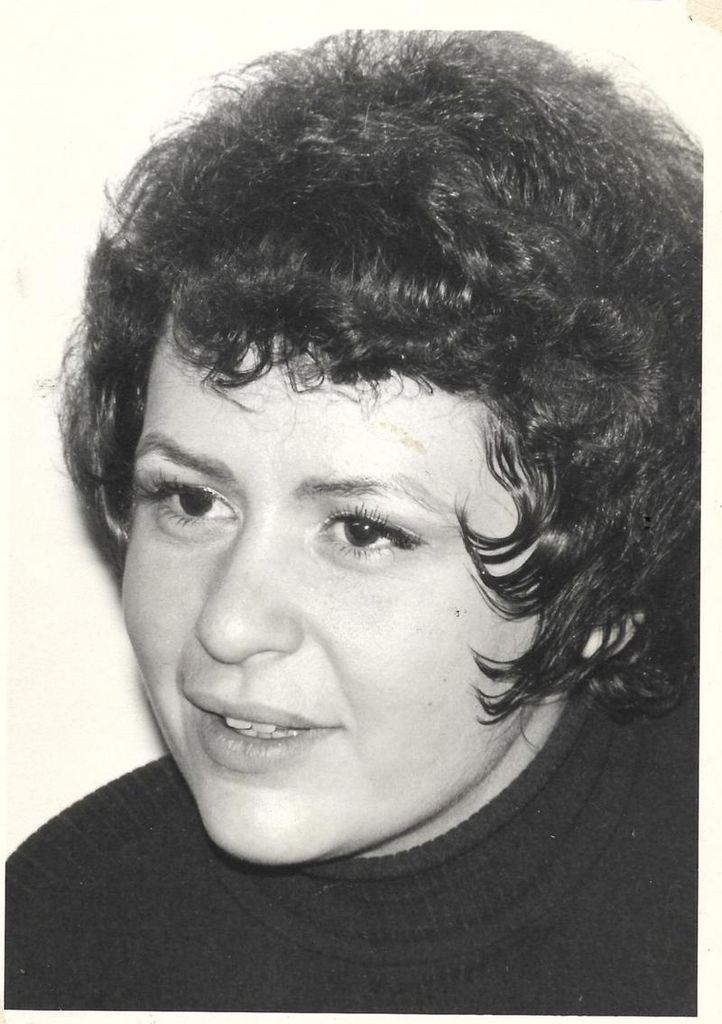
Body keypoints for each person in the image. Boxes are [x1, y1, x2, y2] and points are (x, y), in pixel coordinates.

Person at [5, 28, 700, 1013]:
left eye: (364, 531)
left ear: (600, 594)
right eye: (191, 500)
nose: (227, 624)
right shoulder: (58, 934)